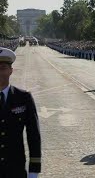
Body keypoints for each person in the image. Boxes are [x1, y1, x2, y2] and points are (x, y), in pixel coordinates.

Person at [0, 47, 41, 178]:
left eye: (3, 68)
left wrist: (33, 171)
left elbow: (33, 135)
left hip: (15, 169)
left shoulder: (23, 98)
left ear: (11, 71)